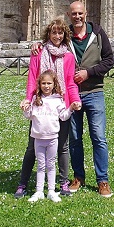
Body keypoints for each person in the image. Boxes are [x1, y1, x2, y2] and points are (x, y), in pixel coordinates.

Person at [32, 0, 114, 197]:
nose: (77, 16)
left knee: (99, 137)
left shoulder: (98, 33)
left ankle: (102, 180)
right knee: (75, 139)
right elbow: (50, 43)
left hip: (94, 92)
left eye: (80, 13)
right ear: (69, 15)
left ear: (85, 13)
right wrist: (36, 45)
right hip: (71, 96)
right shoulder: (65, 36)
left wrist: (89, 73)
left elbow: (109, 60)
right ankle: (78, 177)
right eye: (73, 14)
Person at [14, 19, 80, 199]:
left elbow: (70, 82)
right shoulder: (38, 52)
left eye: (60, 33)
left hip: (60, 103)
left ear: (65, 35)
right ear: (48, 34)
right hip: (40, 104)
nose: (57, 36)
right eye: (54, 33)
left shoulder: (68, 56)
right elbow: (32, 79)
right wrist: (29, 99)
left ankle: (63, 182)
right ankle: (23, 183)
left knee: (62, 147)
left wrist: (74, 101)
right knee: (31, 148)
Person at [22, 70, 81, 202]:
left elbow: (63, 116)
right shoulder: (35, 100)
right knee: (41, 165)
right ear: (39, 84)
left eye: (49, 83)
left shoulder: (57, 100)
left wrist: (71, 108)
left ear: (54, 84)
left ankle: (51, 191)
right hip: (38, 138)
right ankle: (38, 191)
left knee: (51, 164)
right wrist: (25, 108)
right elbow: (28, 116)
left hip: (53, 138)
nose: (46, 86)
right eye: (43, 83)